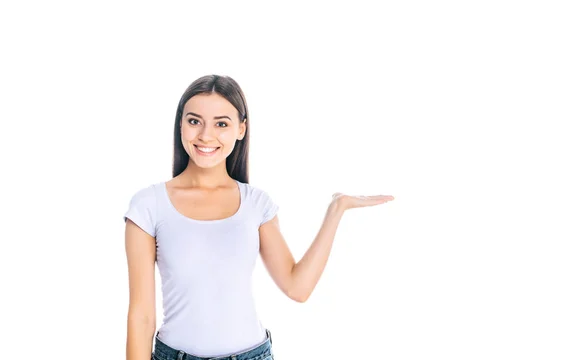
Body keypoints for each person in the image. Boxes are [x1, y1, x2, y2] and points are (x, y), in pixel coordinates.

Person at [123, 74, 394, 360]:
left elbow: (297, 287)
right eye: (194, 121)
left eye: (221, 124)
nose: (205, 135)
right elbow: (141, 317)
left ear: (241, 129)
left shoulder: (256, 204)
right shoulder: (149, 205)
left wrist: (336, 210)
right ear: (181, 124)